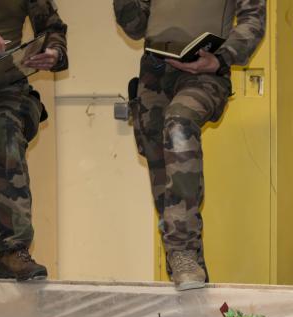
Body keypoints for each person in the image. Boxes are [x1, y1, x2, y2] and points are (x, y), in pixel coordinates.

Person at [113, 0, 266, 290]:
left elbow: (253, 19)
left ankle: (182, 250)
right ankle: (191, 281)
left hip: (205, 73)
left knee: (180, 123)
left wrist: (221, 58)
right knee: (167, 196)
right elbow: (135, 28)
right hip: (154, 75)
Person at [0, 0, 68, 280]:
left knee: (7, 136)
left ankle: (13, 251)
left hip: (4, 80)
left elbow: (52, 27)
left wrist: (53, 52)